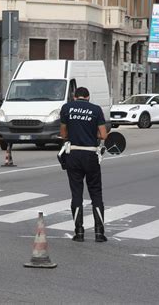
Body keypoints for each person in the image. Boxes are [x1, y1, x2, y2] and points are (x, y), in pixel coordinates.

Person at [59, 87, 108, 242]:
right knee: (96, 193)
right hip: (91, 154)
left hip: (73, 154)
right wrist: (91, 133)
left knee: (76, 193)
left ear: (75, 96)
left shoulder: (66, 108)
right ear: (88, 96)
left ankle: (79, 232)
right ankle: (99, 233)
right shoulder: (96, 109)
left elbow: (63, 134)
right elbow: (103, 135)